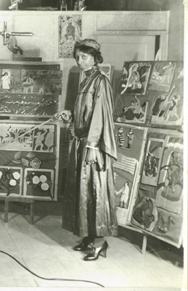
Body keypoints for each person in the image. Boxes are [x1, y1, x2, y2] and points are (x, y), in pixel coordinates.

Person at [58, 39, 118, 261]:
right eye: (77, 57)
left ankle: (100, 242)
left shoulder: (101, 81)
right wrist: (71, 116)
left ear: (95, 57)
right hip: (82, 143)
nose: (79, 61)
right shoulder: (85, 82)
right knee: (83, 193)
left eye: (84, 57)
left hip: (94, 146)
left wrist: (93, 145)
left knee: (96, 192)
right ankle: (88, 237)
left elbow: (101, 118)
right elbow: (85, 113)